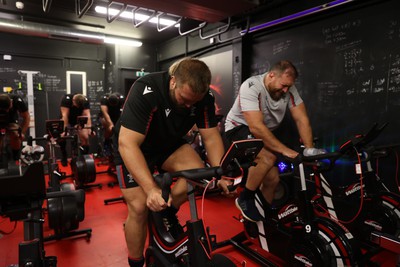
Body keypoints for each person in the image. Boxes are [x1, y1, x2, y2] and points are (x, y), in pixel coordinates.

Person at [114, 57, 232, 267]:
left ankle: (165, 212)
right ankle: (136, 263)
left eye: (193, 103)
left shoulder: (204, 98)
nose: (188, 106)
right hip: (134, 145)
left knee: (199, 174)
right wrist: (150, 188)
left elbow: (211, 136)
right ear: (172, 81)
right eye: (184, 99)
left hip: (168, 143)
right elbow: (127, 144)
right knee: (140, 207)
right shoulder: (147, 88)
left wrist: (219, 173)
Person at [224, 60, 324, 222]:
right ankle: (245, 198)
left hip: (261, 133)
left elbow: (301, 119)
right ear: (271, 75)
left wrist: (309, 149)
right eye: (283, 85)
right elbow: (256, 127)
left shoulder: (289, 89)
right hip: (238, 129)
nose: (285, 90)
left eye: (288, 87)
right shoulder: (251, 86)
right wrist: (285, 151)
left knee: (273, 179)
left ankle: (262, 217)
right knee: (268, 158)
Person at [59, 93, 92, 166]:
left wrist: (89, 128)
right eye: (75, 105)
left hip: (78, 119)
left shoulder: (85, 100)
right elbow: (65, 116)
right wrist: (65, 130)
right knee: (62, 136)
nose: (76, 107)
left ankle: (85, 158)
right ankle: (64, 155)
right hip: (67, 119)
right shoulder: (66, 99)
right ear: (73, 101)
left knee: (85, 138)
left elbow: (87, 115)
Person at [0, 93, 30, 161]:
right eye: (5, 110)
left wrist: (22, 133)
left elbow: (26, 117)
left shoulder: (17, 100)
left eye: (8, 109)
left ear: (11, 103)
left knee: (15, 134)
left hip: (11, 120)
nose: (7, 111)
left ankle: (16, 156)